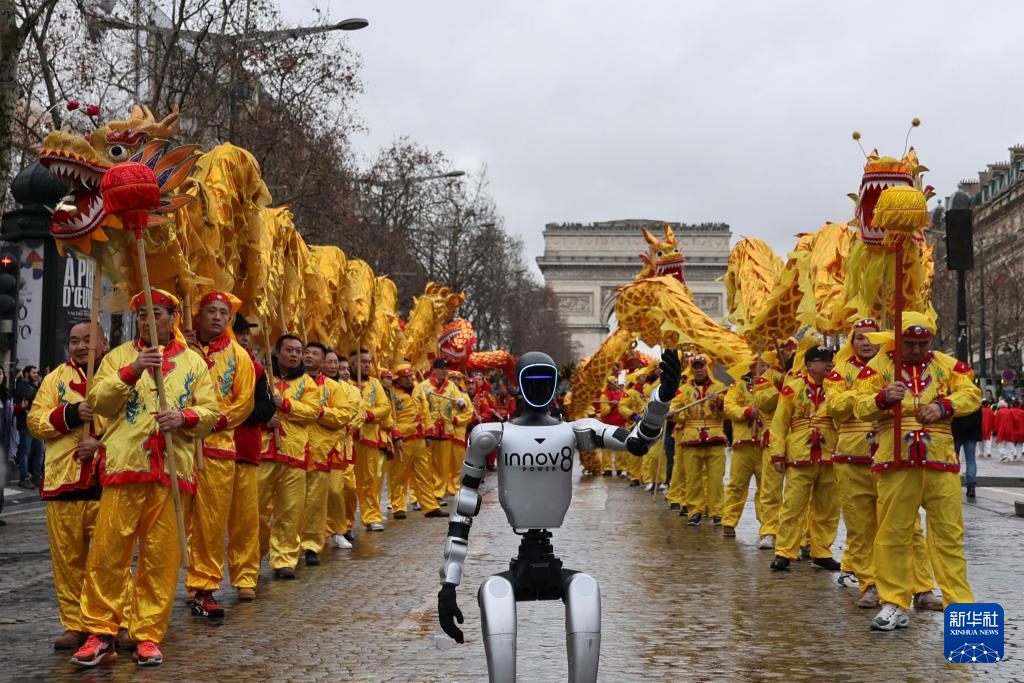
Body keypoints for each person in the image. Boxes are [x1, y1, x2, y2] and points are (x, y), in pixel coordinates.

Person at [72, 289, 218, 667]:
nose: (149, 321)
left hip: (171, 471)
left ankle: (147, 634)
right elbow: (98, 401)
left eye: (158, 313)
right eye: (142, 315)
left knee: (161, 558)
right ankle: (100, 632)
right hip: (125, 466)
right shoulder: (118, 357)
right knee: (108, 553)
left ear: (173, 319)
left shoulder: (193, 362)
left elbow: (210, 414)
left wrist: (183, 418)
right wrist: (132, 370)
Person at [854, 313, 979, 631]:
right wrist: (882, 398)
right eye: (909, 343)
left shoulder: (949, 366)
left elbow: (971, 394)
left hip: (940, 461)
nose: (916, 350)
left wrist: (943, 406)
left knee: (949, 536)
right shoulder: (878, 367)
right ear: (898, 341)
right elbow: (857, 405)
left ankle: (961, 607)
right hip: (896, 460)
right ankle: (894, 602)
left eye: (923, 343)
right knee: (893, 534)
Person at [27, 321, 107, 649]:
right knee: (68, 562)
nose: (80, 346)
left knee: (107, 560)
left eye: (88, 339)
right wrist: (71, 414)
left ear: (104, 343)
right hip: (63, 482)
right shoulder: (54, 379)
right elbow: (35, 421)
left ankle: (112, 622)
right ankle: (75, 624)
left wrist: (100, 444)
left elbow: (135, 424)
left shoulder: (119, 376)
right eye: (74, 340)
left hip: (107, 483)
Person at [182, 291, 255, 620]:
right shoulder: (181, 348)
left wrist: (211, 421)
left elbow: (244, 402)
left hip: (218, 449)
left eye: (223, 313)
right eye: (210, 311)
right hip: (179, 447)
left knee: (210, 524)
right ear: (197, 314)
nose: (216, 317)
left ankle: (204, 587)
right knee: (174, 521)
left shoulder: (239, 357)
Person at [768, 345, 841, 572]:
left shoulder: (839, 387)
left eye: (831, 360)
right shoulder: (792, 389)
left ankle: (822, 552)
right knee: (793, 506)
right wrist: (777, 453)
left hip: (830, 454)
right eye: (823, 360)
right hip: (800, 455)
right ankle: (784, 552)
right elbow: (779, 424)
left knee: (828, 508)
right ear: (809, 364)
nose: (829, 364)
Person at [257, 334, 320, 579]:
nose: (294, 355)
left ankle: (284, 559)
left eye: (298, 351)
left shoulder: (307, 383)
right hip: (263, 452)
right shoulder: (262, 377)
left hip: (294, 453)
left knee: (290, 510)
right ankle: (253, 556)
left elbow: (312, 412)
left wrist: (285, 404)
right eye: (289, 350)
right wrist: (264, 418)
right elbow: (249, 405)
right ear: (277, 352)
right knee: (256, 510)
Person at [230, 314, 276, 599]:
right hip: (209, 453)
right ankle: (202, 583)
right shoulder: (203, 363)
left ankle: (246, 575)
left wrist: (235, 413)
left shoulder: (257, 368)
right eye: (239, 332)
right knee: (205, 525)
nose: (245, 337)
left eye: (246, 332)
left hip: (245, 451)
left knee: (246, 520)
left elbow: (266, 407)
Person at [300, 342, 356, 566]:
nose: (308, 356)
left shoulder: (333, 387)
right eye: (306, 353)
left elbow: (345, 415)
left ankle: (329, 534)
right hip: (295, 447)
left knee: (332, 493)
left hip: (327, 450)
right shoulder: (294, 383)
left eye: (315, 354)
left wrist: (320, 412)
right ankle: (296, 542)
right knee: (297, 500)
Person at [751, 339, 797, 549]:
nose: (789, 352)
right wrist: (781, 389)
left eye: (793, 349)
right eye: (786, 349)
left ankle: (800, 535)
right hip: (773, 434)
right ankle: (769, 530)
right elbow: (763, 402)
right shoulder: (766, 376)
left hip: (798, 435)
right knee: (770, 487)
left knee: (798, 489)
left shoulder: (802, 375)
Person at [390, 362, 444, 518]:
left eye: (410, 376)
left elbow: (425, 411)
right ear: (397, 379)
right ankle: (398, 507)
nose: (409, 379)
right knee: (398, 475)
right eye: (405, 377)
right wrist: (395, 435)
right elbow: (389, 416)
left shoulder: (418, 388)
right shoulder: (391, 392)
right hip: (403, 439)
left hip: (419, 438)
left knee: (424, 474)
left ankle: (430, 506)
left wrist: (428, 432)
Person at [721, 357, 767, 538]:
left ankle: (768, 527)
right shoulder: (738, 386)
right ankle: (729, 521)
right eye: (761, 364)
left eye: (767, 365)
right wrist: (746, 412)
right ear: (752, 366)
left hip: (765, 444)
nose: (765, 367)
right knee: (737, 485)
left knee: (767, 488)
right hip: (743, 444)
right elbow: (729, 407)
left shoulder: (772, 385)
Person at [350, 348, 392, 532]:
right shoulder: (344, 382)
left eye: (368, 362)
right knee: (347, 483)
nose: (367, 365)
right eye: (363, 362)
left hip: (368, 438)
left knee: (369, 479)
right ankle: (345, 524)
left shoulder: (375, 383)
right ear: (352, 364)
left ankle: (372, 516)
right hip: (346, 439)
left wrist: (370, 414)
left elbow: (385, 407)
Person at [325, 353, 363, 547]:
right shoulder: (317, 386)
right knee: (326, 490)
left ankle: (345, 525)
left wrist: (346, 427)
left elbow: (359, 414)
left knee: (348, 488)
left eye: (345, 368)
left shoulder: (353, 391)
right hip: (321, 444)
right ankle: (327, 529)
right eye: (338, 367)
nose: (342, 371)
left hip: (344, 445)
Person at [421, 358, 464, 508]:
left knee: (443, 466)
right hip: (429, 430)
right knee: (427, 464)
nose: (445, 371)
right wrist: (423, 397)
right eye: (441, 368)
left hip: (446, 430)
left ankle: (438, 494)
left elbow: (459, 406)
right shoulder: (424, 386)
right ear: (434, 370)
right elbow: (416, 404)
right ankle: (426, 493)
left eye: (446, 368)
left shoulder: (452, 387)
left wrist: (461, 404)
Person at [14, 365, 44, 487]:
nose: (36, 375)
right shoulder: (22, 386)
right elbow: (36, 398)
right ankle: (24, 478)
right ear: (26, 374)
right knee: (25, 451)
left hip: (37, 424)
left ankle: (37, 477)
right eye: (33, 372)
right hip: (25, 424)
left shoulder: (35, 386)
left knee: (40, 451)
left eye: (37, 372)